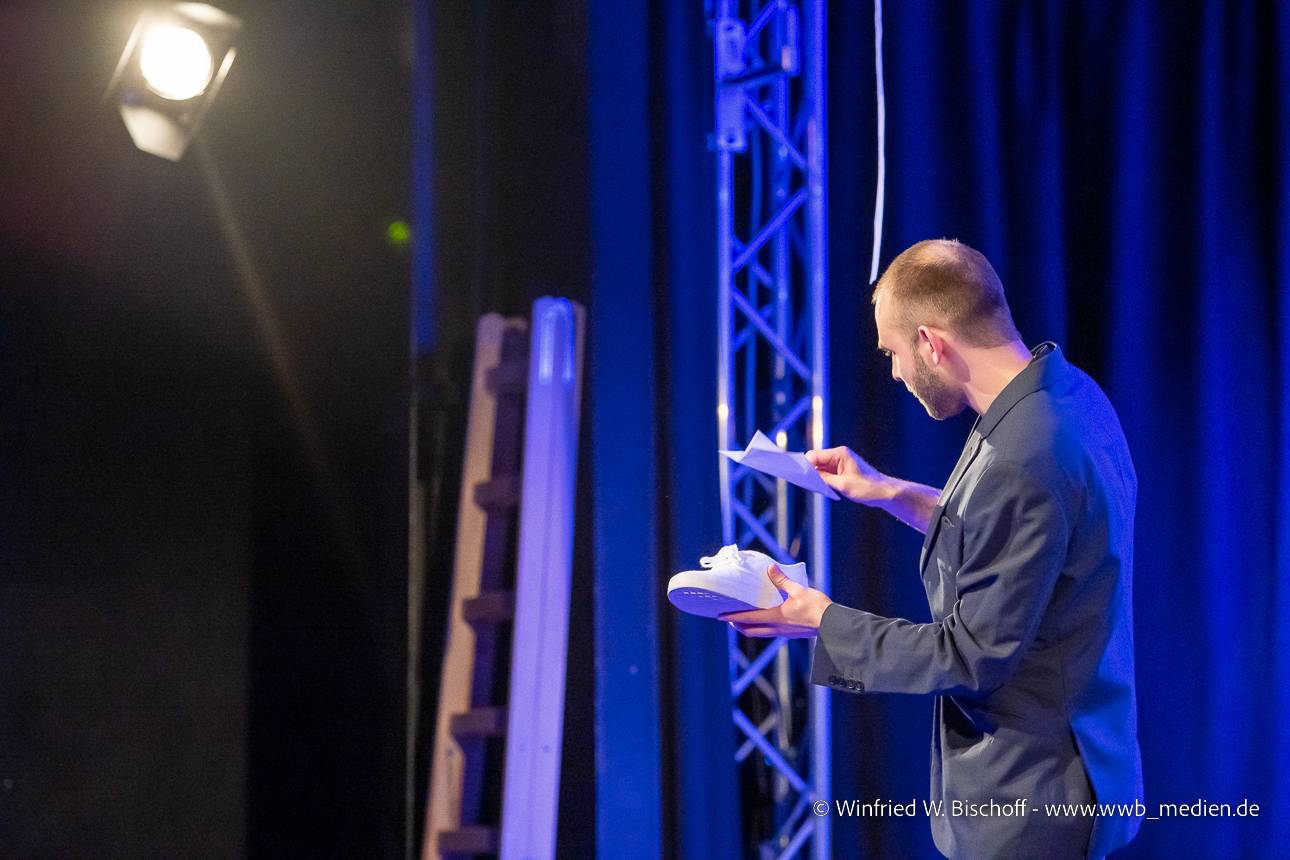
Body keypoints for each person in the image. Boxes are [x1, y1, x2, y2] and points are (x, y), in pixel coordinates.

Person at [719, 239, 1143, 859]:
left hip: (1033, 796)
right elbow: (1018, 543)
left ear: (931, 342)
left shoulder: (1025, 454)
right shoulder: (1064, 394)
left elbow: (970, 657)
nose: (894, 373)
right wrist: (888, 491)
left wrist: (822, 620)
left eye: (893, 352)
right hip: (1077, 762)